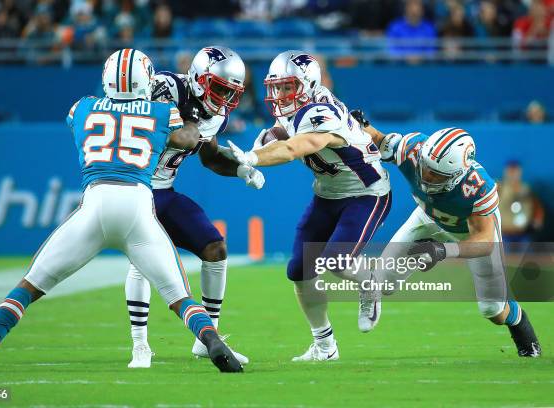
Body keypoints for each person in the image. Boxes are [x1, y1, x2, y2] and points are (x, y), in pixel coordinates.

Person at [0, 49, 243, 373]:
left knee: (30, 285)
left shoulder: (82, 108)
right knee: (180, 298)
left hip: (94, 203)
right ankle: (213, 342)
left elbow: (84, 128)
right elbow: (187, 137)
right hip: (137, 205)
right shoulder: (162, 115)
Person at [227, 51, 392, 362]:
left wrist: (254, 157)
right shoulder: (300, 107)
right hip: (327, 195)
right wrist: (253, 153)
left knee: (337, 261)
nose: (280, 94)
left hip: (366, 193)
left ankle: (370, 280)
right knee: (299, 270)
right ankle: (325, 346)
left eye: (288, 87)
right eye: (277, 87)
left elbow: (295, 146)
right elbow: (282, 133)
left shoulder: (320, 112)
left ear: (309, 85)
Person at [124, 46, 263, 368]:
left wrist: (241, 168)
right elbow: (179, 138)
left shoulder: (214, 114)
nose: (225, 100)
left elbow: (210, 156)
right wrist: (195, 118)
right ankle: (140, 345)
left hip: (164, 190)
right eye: (220, 88)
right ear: (199, 80)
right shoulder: (165, 87)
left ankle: (207, 337)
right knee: (141, 262)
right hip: (133, 187)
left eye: (232, 93)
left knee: (215, 248)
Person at [358, 120, 541, 357]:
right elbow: (380, 139)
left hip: (469, 234)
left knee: (493, 310)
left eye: (436, 174)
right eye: (426, 166)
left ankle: (520, 325)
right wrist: (360, 124)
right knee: (383, 281)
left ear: (457, 175)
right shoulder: (413, 149)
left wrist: (443, 251)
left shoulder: (478, 188)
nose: (426, 174)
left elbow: (485, 240)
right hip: (427, 217)